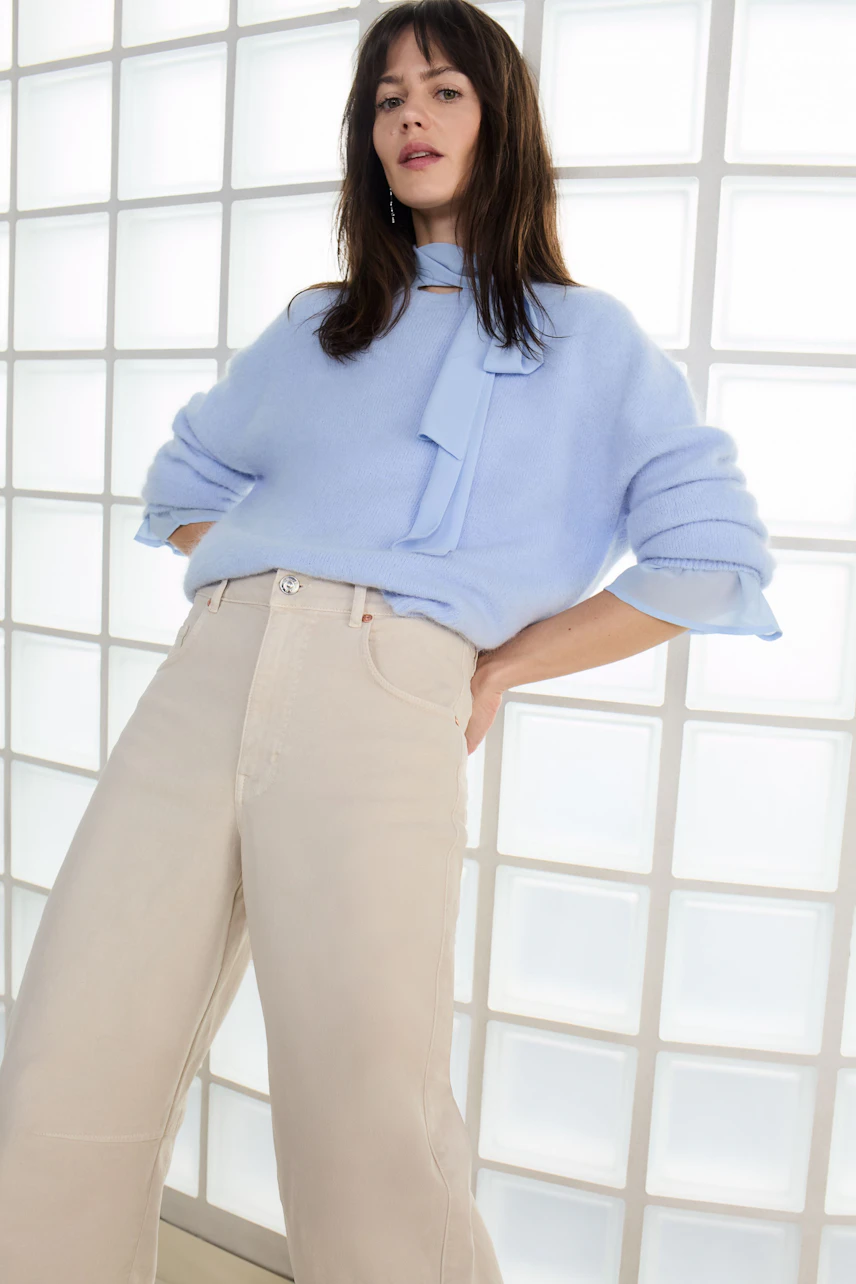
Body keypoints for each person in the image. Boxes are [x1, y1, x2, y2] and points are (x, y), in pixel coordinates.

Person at [0, 2, 782, 1281]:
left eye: (445, 91)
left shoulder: (589, 342)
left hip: (389, 689)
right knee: (64, 1057)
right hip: (209, 676)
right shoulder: (322, 325)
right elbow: (183, 477)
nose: (411, 117)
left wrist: (495, 666)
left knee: (367, 1110)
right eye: (386, 99)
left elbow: (711, 557)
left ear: (500, 119)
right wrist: (259, 573)